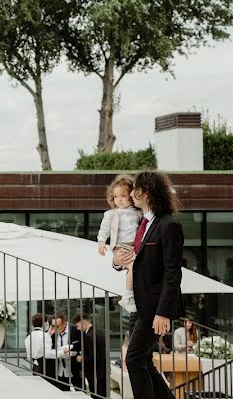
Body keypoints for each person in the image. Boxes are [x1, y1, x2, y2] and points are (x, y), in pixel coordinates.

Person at [113, 170, 184, 399]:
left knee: (133, 359)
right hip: (138, 305)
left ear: (148, 192)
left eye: (135, 189)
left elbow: (173, 273)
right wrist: (116, 262)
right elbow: (132, 258)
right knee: (143, 360)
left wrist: (163, 312)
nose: (131, 194)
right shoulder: (143, 224)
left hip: (154, 308)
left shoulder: (168, 225)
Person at [96, 174, 142, 314]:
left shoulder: (138, 212)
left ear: (131, 196)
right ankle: (128, 295)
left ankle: (130, 295)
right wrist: (101, 242)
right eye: (116, 197)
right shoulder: (111, 214)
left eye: (123, 196)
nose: (119, 200)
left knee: (135, 269)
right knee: (133, 267)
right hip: (120, 246)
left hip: (134, 246)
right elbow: (104, 229)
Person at [74, 313, 108, 398]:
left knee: (95, 395)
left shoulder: (88, 336)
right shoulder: (100, 332)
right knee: (103, 394)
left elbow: (93, 357)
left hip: (94, 372)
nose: (77, 329)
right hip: (103, 371)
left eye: (78, 326)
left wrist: (81, 359)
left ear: (83, 323)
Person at [25, 313, 54, 378]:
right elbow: (48, 353)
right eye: (46, 322)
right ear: (44, 323)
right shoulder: (45, 336)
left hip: (34, 366)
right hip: (46, 367)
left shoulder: (29, 337)